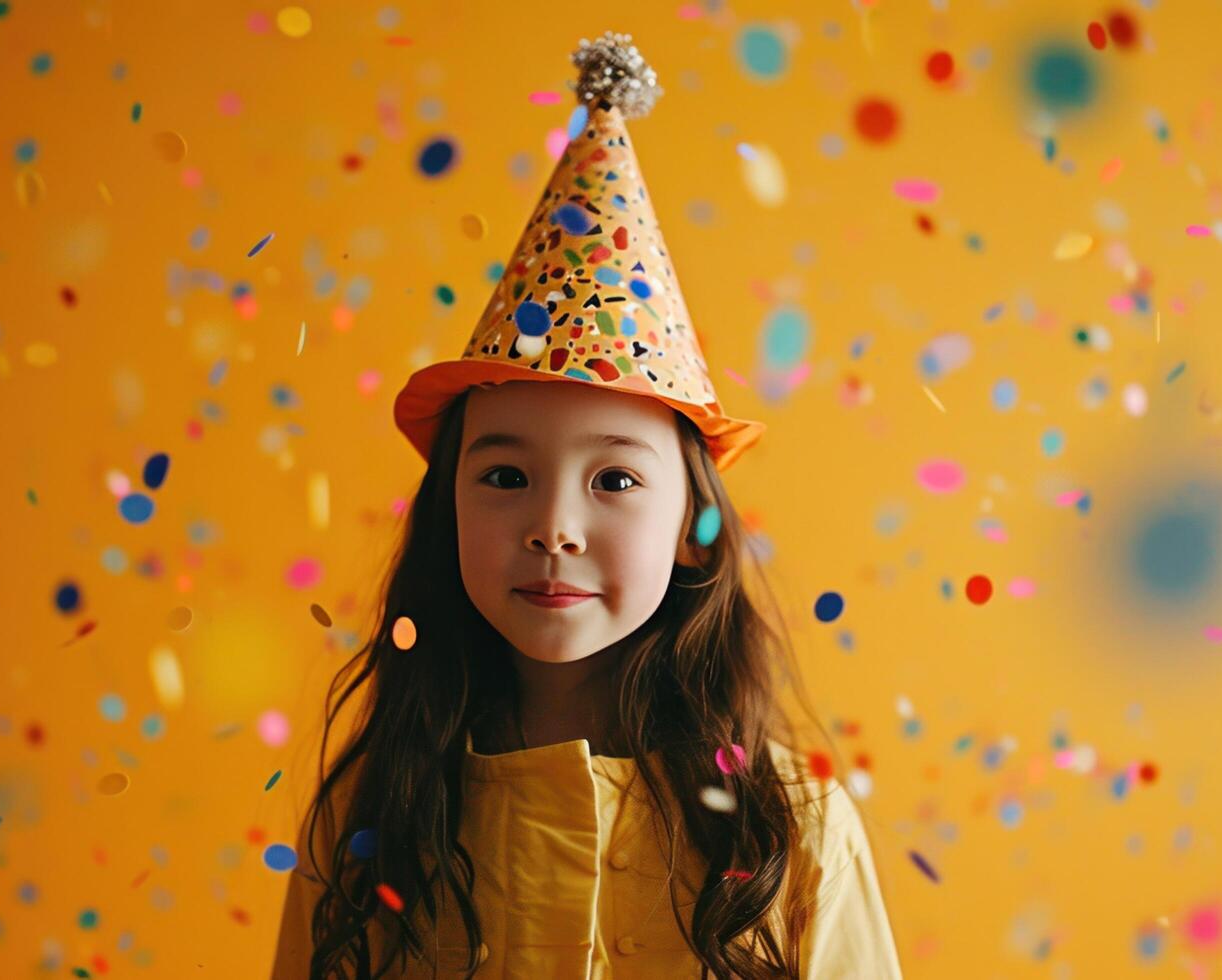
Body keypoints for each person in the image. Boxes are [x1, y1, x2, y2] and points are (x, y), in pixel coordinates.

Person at [272, 31, 902, 980]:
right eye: (502, 476)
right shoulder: (375, 808)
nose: (553, 525)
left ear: (693, 532)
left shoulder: (792, 829)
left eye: (614, 480)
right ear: (446, 516)